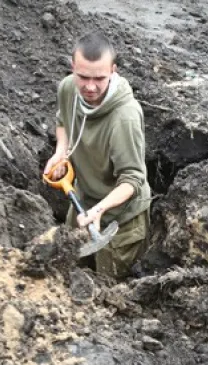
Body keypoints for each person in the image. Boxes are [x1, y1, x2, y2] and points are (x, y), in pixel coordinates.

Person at [43, 32, 151, 280]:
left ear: (113, 71)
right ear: (73, 68)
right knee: (66, 274)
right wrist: (61, 152)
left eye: (99, 78)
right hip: (82, 203)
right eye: (83, 77)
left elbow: (133, 178)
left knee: (110, 289)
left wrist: (100, 210)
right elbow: (62, 122)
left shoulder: (124, 118)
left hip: (120, 220)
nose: (90, 87)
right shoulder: (68, 88)